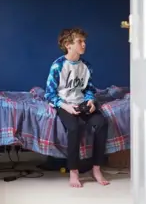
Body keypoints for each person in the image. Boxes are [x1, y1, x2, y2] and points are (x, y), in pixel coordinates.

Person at [45, 28, 110, 188]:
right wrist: (65, 106)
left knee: (102, 122)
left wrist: (90, 101)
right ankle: (73, 171)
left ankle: (96, 169)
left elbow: (89, 89)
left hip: (82, 103)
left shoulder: (86, 66)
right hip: (65, 104)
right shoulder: (58, 66)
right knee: (75, 127)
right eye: (79, 41)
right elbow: (49, 94)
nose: (84, 44)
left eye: (84, 41)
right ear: (68, 45)